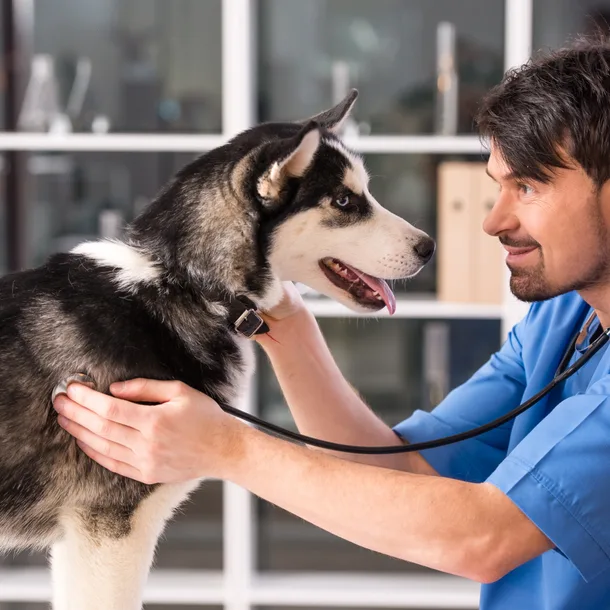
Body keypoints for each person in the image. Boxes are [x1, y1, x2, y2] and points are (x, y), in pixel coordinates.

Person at [52, 37, 610, 609]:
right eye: (498, 184)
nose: (493, 221)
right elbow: (405, 467)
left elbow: (483, 537)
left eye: (528, 187)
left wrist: (227, 447)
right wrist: (286, 326)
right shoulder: (564, 318)